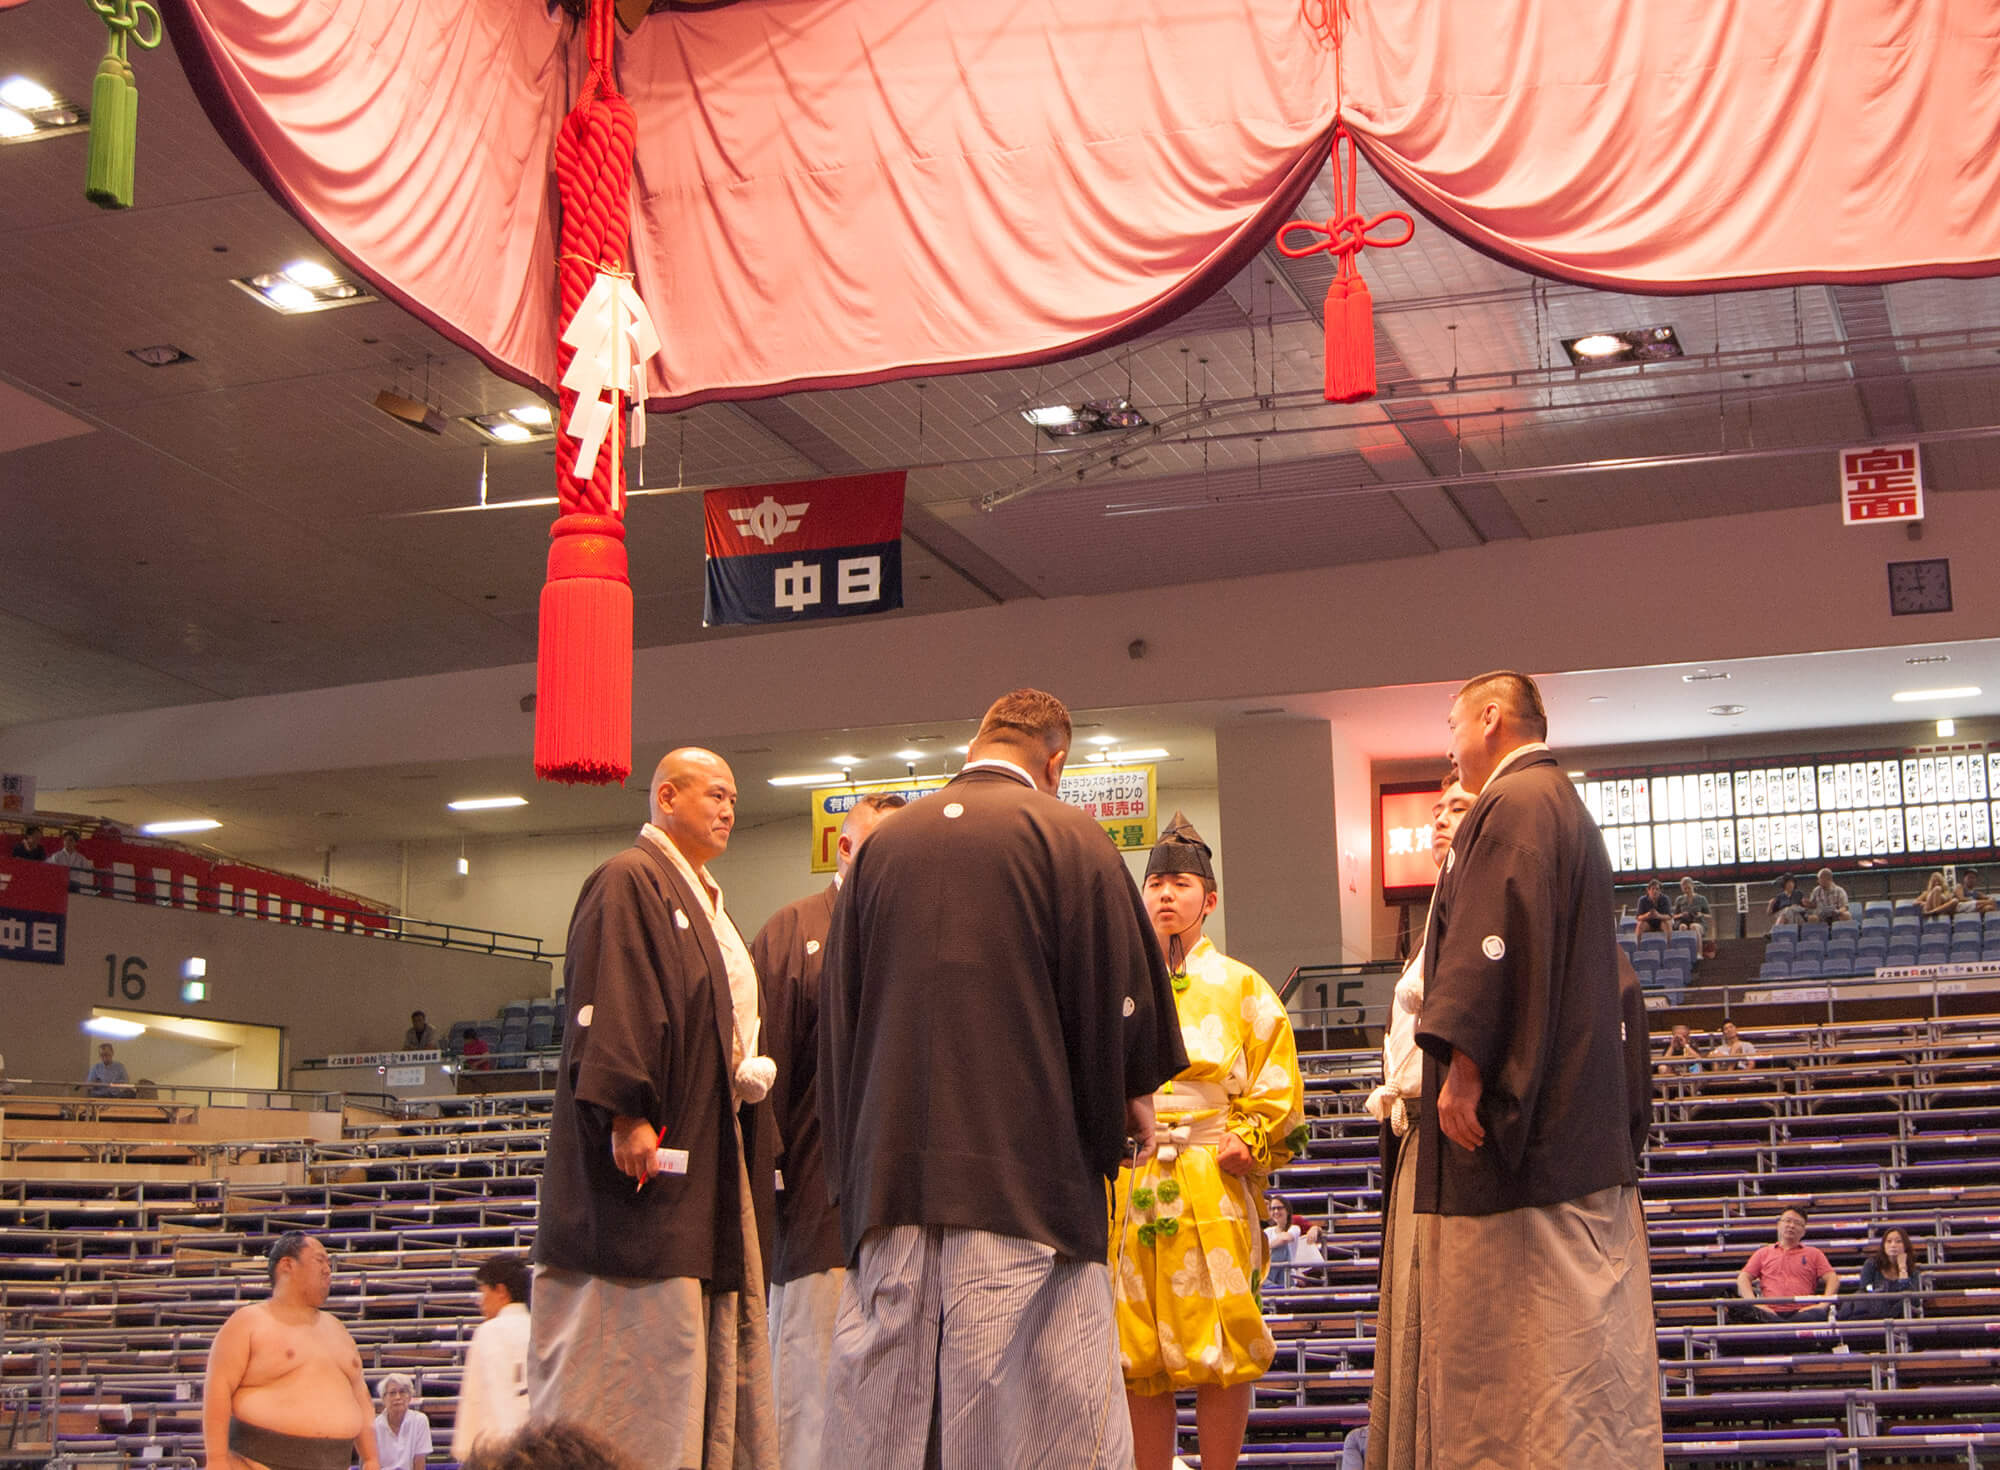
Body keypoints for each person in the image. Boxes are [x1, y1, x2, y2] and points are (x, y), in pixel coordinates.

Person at [818, 688, 1186, 1470]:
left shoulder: (881, 850)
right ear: (1056, 763)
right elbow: (1118, 1007)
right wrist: (1128, 1104)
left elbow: (840, 1023)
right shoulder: (1071, 837)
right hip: (1027, 1189)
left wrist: (853, 1174)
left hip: (891, 1188)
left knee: (885, 1425)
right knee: (1029, 1426)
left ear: (977, 741)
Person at [1412, 670, 1660, 1468]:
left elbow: (1495, 939)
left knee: (1514, 1367)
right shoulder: (1563, 805)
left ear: (1490, 717)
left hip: (1527, 1150)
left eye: (1453, 726)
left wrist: (1466, 1066)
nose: (1450, 749)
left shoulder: (1515, 805)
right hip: (1576, 1133)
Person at [529, 747, 778, 1470]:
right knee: (626, 1377)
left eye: (735, 798)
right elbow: (615, 995)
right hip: (638, 1172)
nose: (730, 809)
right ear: (666, 796)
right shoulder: (629, 879)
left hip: (702, 1152)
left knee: (686, 1360)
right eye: (715, 795)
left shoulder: (697, 893)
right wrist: (625, 1113)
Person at [1115, 812, 1305, 1470]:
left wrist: (1250, 1136)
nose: (1166, 895)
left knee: (1222, 1348)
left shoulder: (1244, 987)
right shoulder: (1119, 986)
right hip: (1134, 1176)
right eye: (1156, 884)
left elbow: (1278, 1085)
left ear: (1209, 900)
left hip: (1213, 1177)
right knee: (1138, 1353)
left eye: (1180, 884)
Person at [749, 790, 905, 1470]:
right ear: (845, 847)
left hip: (902, 1212)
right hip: (813, 1209)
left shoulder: (915, 934)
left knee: (895, 1408)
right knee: (809, 1404)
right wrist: (772, 1190)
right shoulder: (792, 934)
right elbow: (763, 1089)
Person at [1361, 773, 1471, 1470]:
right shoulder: (1439, 910)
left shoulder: (1481, 907)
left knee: (1447, 1330)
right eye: (1434, 811)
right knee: (1412, 1328)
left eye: (1457, 809)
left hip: (1455, 1142)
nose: (1439, 822)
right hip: (1412, 1132)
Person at [201, 1232, 380, 1470]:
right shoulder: (248, 1322)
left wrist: (371, 1459)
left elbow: (361, 1399)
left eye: (329, 1263)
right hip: (256, 1462)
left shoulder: (338, 1329)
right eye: (320, 1260)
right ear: (287, 1265)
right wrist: (216, 1460)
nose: (328, 1269)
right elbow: (218, 1388)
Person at [453, 1255, 533, 1461]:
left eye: (483, 1292)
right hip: (539, 1448)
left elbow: (475, 1398)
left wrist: (465, 1451)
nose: (481, 1302)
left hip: (498, 1451)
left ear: (501, 1291)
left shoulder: (489, 1332)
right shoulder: (542, 1329)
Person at [1734, 1207, 1838, 1322]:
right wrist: (1756, 1304)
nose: (1792, 1226)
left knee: (1819, 1314)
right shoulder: (1763, 1253)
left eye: (1797, 1223)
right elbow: (1743, 1277)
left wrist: (1823, 1304)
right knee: (1742, 1311)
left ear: (1803, 1231)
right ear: (1778, 1225)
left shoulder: (1814, 1253)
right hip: (1769, 1312)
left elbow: (1832, 1278)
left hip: (1804, 1312)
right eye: (1788, 1221)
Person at [1841, 1227, 1920, 1321]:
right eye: (1889, 1241)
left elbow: (1914, 1300)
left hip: (1899, 1315)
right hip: (1872, 1311)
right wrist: (1876, 1293)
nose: (1893, 1245)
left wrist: (1903, 1269)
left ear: (1905, 1246)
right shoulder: (1872, 1264)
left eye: (1898, 1241)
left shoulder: (1912, 1270)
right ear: (1883, 1245)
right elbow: (1865, 1288)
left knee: (1903, 1302)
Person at [373, 1374, 433, 1470]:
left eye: (402, 1392)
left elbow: (419, 1462)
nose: (397, 1397)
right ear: (383, 1399)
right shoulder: (374, 1426)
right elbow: (372, 1464)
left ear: (409, 1397)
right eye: (392, 1393)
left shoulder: (420, 1421)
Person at [1262, 1195, 1322, 1290]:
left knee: (1281, 1247)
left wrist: (1267, 1248)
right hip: (1270, 1270)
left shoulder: (1294, 1226)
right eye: (1273, 1209)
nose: (1276, 1211)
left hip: (1287, 1271)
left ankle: (1273, 1286)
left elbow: (1284, 1239)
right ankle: (1275, 1287)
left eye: (1279, 1208)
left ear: (1287, 1210)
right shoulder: (1267, 1231)